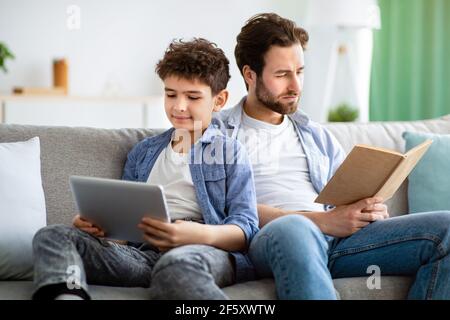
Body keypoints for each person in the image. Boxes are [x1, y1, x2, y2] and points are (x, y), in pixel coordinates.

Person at [215, 13, 450, 299]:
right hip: (270, 240)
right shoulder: (218, 134)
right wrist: (321, 221)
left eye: (299, 72)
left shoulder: (315, 134)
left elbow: (344, 197)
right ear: (250, 75)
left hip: (337, 242)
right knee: (295, 228)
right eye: (282, 75)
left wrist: (368, 210)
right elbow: (222, 204)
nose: (296, 86)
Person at [32, 38, 259, 300]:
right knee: (54, 235)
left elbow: (246, 229)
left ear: (219, 100)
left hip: (201, 251)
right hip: (142, 256)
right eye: (171, 94)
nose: (178, 106)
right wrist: (97, 228)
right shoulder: (143, 152)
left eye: (192, 97)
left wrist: (195, 233)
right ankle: (68, 296)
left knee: (175, 266)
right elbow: (122, 236)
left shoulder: (230, 152)